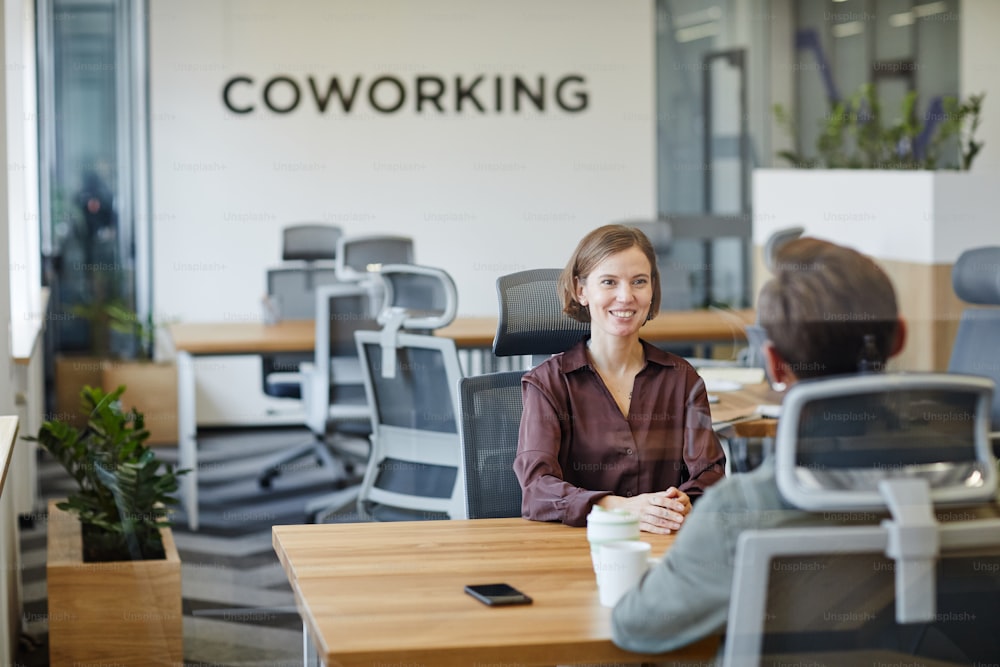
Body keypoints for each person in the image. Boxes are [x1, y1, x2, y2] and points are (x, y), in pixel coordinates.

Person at [611, 236, 908, 653]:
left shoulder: (742, 511)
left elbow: (636, 628)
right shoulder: (977, 487)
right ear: (900, 338)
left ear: (775, 364)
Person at [514, 224, 726, 534]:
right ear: (581, 290)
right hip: (577, 547)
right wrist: (621, 508)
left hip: (661, 546)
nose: (625, 297)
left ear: (652, 290)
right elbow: (537, 490)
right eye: (609, 282)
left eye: (639, 281)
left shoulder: (682, 379)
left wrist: (683, 501)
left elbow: (710, 474)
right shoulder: (549, 383)